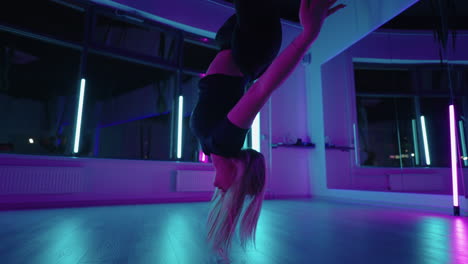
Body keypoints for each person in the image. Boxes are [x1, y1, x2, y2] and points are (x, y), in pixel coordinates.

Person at [189, 0, 345, 259]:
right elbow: (263, 89)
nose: (219, 191)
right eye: (229, 192)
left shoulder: (210, 147)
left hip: (231, 43)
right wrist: (308, 36)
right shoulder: (227, 140)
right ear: (237, 174)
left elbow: (226, 214)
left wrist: (220, 245)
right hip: (253, 47)